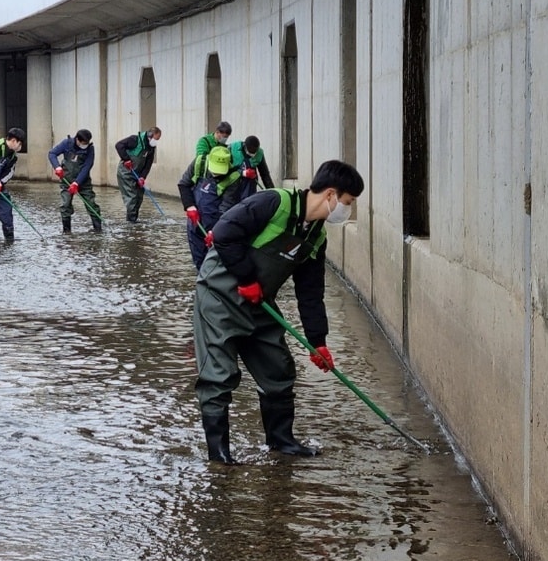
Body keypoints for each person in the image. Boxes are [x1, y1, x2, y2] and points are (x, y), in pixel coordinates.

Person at [192, 160, 365, 465]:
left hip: (260, 304)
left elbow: (310, 294)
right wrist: (246, 279)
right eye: (347, 202)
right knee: (218, 376)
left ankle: (281, 441)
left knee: (279, 370)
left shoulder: (315, 237)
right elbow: (223, 233)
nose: (346, 210)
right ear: (330, 195)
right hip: (219, 297)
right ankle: (219, 456)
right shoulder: (273, 202)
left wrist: (318, 341)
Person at [178, 145, 246, 269]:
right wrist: (190, 206)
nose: (216, 174)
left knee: (215, 263)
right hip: (195, 222)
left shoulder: (233, 177)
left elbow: (226, 207)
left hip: (215, 225)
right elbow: (184, 184)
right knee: (199, 262)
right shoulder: (200, 162)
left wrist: (216, 231)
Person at [48, 129, 103, 234]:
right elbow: (52, 154)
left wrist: (77, 182)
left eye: (87, 143)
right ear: (77, 139)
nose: (85, 145)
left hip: (83, 182)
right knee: (65, 205)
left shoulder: (90, 149)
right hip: (66, 181)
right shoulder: (67, 143)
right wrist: (57, 167)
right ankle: (67, 232)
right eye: (83, 143)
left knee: (91, 204)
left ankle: (98, 230)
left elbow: (87, 166)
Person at [114, 126, 162, 222]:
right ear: (150, 135)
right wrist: (126, 159)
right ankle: (131, 223)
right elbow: (119, 145)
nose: (156, 141)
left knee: (139, 196)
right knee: (132, 197)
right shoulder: (134, 140)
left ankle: (134, 219)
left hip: (138, 174)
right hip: (126, 173)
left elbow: (148, 164)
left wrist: (142, 177)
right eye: (156, 139)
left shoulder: (151, 147)